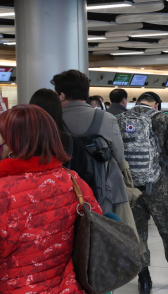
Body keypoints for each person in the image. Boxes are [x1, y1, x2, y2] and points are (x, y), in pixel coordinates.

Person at [0, 104, 102, 293]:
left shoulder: (4, 191)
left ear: (14, 143)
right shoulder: (72, 179)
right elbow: (94, 228)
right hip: (67, 286)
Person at [129, 92, 168, 293]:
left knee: (137, 233)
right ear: (156, 104)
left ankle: (144, 280)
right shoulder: (163, 118)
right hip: (159, 184)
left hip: (130, 187)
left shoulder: (120, 120)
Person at [53, 69, 129, 214]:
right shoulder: (107, 119)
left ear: (62, 95)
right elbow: (119, 157)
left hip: (64, 193)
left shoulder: (53, 121)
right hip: (102, 193)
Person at [29, 88, 97, 204]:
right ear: (59, 111)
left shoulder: (21, 142)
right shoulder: (72, 142)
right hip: (65, 205)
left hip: (29, 202)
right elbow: (85, 179)